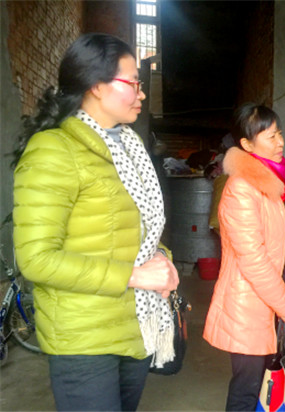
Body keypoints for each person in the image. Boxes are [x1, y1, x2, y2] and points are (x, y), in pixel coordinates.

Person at [12, 33, 179, 411]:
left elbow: (140, 229)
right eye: (132, 82)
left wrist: (162, 260)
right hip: (83, 340)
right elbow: (36, 259)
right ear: (96, 86)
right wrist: (135, 276)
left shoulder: (130, 147)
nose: (141, 93)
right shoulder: (54, 150)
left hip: (135, 329)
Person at [203, 103, 285, 411]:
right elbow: (253, 260)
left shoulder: (278, 183)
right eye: (270, 136)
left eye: (280, 134)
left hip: (275, 298)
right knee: (247, 388)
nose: (280, 142)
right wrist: (283, 304)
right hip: (248, 304)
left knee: (266, 383)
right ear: (247, 145)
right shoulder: (240, 189)